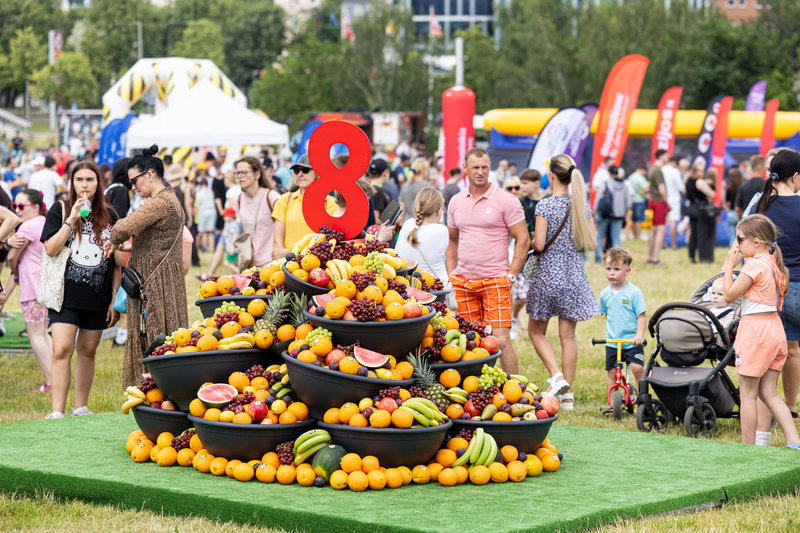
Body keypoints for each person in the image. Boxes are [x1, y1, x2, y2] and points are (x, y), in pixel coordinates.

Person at [41, 161, 120, 419]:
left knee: (88, 350)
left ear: (99, 183)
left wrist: (113, 298)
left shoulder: (110, 215)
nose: (84, 185)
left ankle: (80, 407)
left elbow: (116, 263)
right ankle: (57, 411)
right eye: (79, 180)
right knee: (61, 349)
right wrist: (71, 219)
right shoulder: (61, 208)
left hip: (98, 295)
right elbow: (51, 249)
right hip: (65, 294)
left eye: (90, 179)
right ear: (71, 183)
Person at [106, 145, 187, 389]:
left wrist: (114, 240)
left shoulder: (159, 203)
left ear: (150, 174)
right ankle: (166, 392)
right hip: (163, 278)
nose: (133, 187)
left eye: (135, 181)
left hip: (153, 283)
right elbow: (160, 241)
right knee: (166, 337)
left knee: (151, 337)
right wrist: (133, 248)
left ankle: (151, 392)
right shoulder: (171, 198)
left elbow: (121, 227)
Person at [447, 147, 530, 374]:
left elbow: (523, 239)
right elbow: (452, 242)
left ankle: (514, 393)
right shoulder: (455, 201)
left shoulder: (506, 200)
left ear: (490, 167)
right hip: (463, 281)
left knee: (501, 340)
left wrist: (511, 275)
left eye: (485, 167)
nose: (480, 172)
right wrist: (451, 276)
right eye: (475, 167)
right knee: (467, 341)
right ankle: (473, 391)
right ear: (465, 169)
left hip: (496, 280)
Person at [525, 154, 599, 409]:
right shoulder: (581, 205)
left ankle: (556, 377)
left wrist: (532, 237)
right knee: (568, 337)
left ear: (551, 176)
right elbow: (591, 243)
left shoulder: (545, 206)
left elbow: (540, 244)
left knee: (535, 331)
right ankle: (567, 394)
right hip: (574, 274)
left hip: (548, 274)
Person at [722, 214, 800, 449]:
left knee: (747, 394)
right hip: (776, 330)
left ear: (756, 242)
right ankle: (793, 442)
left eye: (740, 238)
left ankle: (747, 449)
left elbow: (728, 295)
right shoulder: (773, 264)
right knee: (769, 392)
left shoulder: (754, 265)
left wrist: (728, 266)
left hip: (756, 332)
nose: (737, 244)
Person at [753, 148, 800, 426]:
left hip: (765, 288)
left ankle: (765, 413)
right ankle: (790, 408)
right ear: (795, 177)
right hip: (796, 289)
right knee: (792, 349)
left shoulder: (760, 204)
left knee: (765, 354)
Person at [1, 190, 51, 391]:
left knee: (35, 335)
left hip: (31, 287)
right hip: (45, 286)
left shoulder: (28, 227)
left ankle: (51, 382)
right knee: (44, 333)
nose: (17, 210)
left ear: (36, 207)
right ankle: (56, 378)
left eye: (21, 207)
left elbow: (12, 258)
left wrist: (14, 273)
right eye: (15, 206)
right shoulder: (44, 223)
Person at [271, 153, 337, 259]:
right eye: (297, 171)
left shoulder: (330, 203)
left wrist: (291, 252)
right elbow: (277, 242)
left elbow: (329, 242)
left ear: (317, 173)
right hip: (288, 265)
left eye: (305, 170)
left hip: (317, 265)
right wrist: (287, 257)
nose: (300, 174)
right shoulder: (284, 200)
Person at [598, 248, 646, 393]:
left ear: (627, 271)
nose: (612, 273)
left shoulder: (634, 293)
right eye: (608, 268)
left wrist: (639, 335)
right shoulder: (605, 294)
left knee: (638, 369)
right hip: (613, 341)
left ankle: (644, 399)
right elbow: (608, 315)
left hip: (632, 341)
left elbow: (642, 317)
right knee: (612, 372)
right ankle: (612, 404)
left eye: (617, 269)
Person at [396, 187, 449, 284]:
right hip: (433, 287)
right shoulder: (441, 231)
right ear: (439, 211)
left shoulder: (408, 224)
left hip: (407, 285)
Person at [593, 165, 632, 263]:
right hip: (618, 215)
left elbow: (598, 198)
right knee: (616, 238)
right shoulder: (625, 184)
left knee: (600, 236)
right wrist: (624, 211)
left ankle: (598, 259)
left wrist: (594, 212)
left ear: (609, 173)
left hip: (605, 213)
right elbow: (629, 202)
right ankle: (616, 260)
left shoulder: (605, 183)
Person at [685, 163, 717, 263]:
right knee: (701, 233)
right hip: (700, 208)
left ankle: (692, 256)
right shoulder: (699, 181)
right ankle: (702, 257)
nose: (702, 172)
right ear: (696, 171)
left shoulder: (687, 180)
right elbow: (712, 194)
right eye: (700, 170)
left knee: (693, 233)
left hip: (691, 208)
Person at [646, 150, 670, 265]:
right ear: (661, 156)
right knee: (660, 230)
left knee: (653, 230)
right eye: (666, 155)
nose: (668, 157)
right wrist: (667, 202)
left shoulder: (651, 169)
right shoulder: (658, 170)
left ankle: (650, 257)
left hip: (652, 202)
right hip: (659, 202)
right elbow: (662, 189)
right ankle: (655, 258)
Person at [663, 156, 685, 250]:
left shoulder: (662, 170)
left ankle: (662, 243)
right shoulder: (675, 171)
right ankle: (673, 244)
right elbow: (681, 188)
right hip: (674, 199)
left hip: (663, 199)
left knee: (663, 223)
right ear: (674, 163)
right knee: (673, 222)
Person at [735, 155, 766, 220]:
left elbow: (737, 208)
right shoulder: (767, 185)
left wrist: (741, 219)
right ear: (761, 168)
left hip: (747, 222)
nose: (765, 170)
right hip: (762, 223)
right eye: (765, 168)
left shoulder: (744, 185)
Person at [399, 157, 430, 223]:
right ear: (423, 171)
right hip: (421, 223)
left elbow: (402, 206)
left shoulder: (405, 185)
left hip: (407, 222)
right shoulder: (426, 186)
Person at [626, 165, 649, 241]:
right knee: (639, 220)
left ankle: (634, 236)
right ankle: (638, 237)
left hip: (632, 200)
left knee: (634, 219)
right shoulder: (641, 178)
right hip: (639, 200)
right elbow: (645, 189)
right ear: (642, 170)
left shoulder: (630, 177)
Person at [195, 175, 217, 252]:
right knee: (211, 232)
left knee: (204, 232)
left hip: (203, 212)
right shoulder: (211, 192)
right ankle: (211, 248)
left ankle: (204, 248)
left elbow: (197, 205)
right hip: (212, 211)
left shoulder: (198, 193)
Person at [725, 166, 743, 246]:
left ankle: (733, 255)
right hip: (740, 212)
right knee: (740, 236)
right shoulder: (742, 188)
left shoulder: (729, 189)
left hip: (731, 213)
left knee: (732, 236)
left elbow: (727, 202)